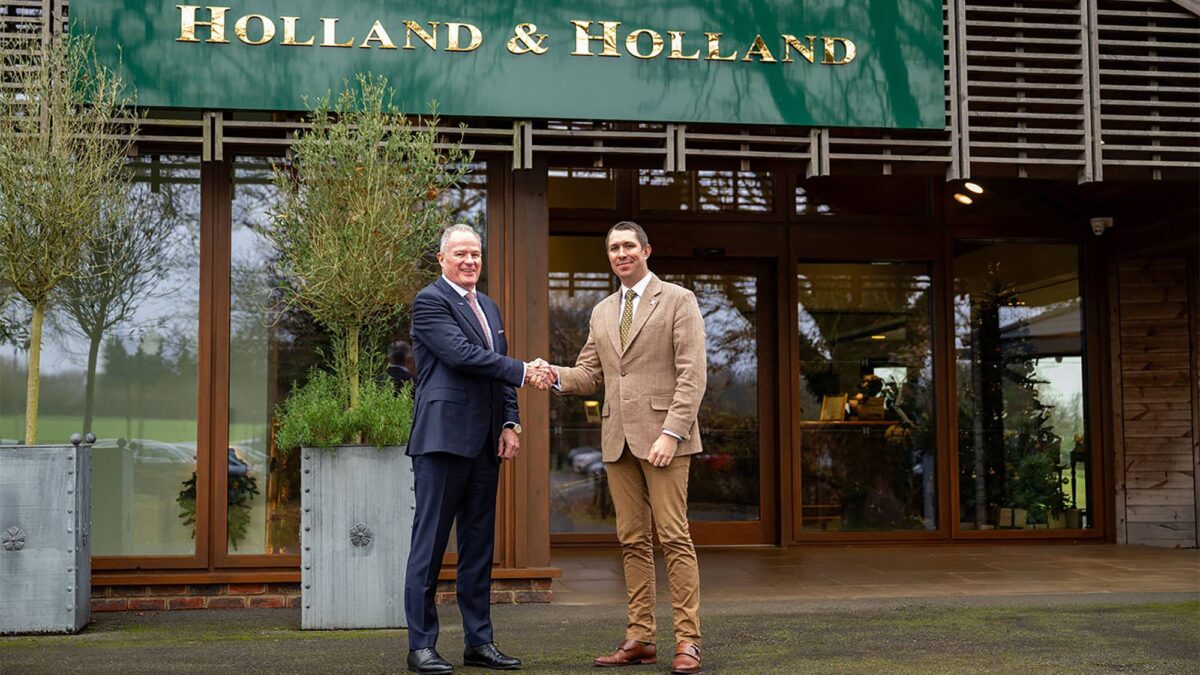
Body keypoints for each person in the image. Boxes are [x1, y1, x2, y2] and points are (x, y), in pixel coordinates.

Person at [537, 221, 707, 675]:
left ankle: (688, 640)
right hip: (618, 441)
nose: (621, 253)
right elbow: (588, 374)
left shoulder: (678, 300)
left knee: (674, 537)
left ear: (646, 250)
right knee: (632, 540)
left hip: (666, 439)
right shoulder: (602, 311)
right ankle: (641, 638)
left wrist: (672, 433)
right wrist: (552, 374)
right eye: (614, 248)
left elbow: (693, 375)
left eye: (629, 245)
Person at [404, 224, 551, 674]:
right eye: (461, 254)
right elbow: (463, 356)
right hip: (443, 440)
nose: (470, 261)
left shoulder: (488, 305)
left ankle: (479, 642)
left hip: (486, 443)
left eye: (476, 254)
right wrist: (524, 370)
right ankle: (420, 646)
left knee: (478, 546)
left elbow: (496, 371)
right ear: (442, 259)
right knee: (429, 546)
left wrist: (510, 422)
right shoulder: (430, 301)